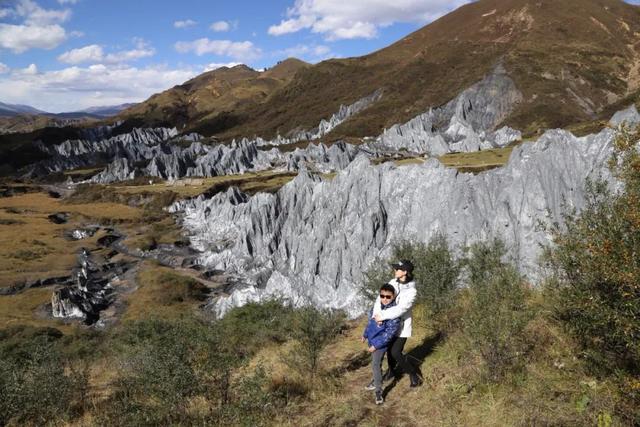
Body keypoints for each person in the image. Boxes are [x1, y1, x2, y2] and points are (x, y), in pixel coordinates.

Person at [372, 259, 423, 387]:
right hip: (387, 324)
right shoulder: (392, 282)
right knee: (389, 351)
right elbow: (380, 298)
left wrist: (382, 316)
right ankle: (392, 372)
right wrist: (376, 315)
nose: (394, 270)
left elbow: (400, 309)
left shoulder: (412, 291)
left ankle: (413, 374)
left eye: (397, 269)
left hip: (402, 327)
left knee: (396, 352)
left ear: (405, 272)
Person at [362, 283, 402, 405]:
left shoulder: (394, 313)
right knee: (376, 365)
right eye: (382, 296)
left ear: (393, 296)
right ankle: (376, 380)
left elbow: (388, 334)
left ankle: (378, 391)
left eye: (388, 297)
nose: (384, 299)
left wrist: (376, 345)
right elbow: (370, 323)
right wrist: (365, 334)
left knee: (375, 364)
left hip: (380, 343)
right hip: (372, 340)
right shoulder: (376, 307)